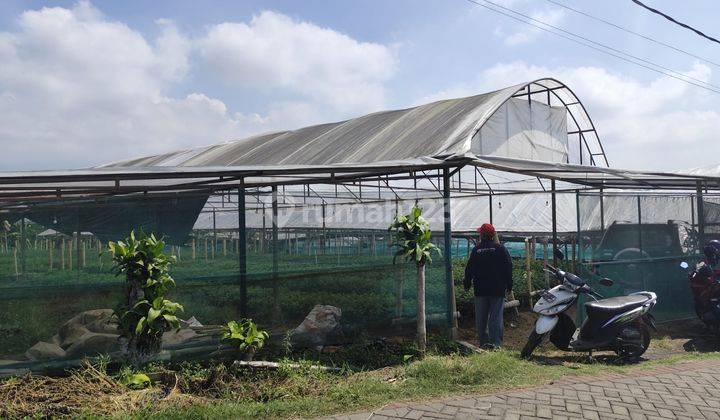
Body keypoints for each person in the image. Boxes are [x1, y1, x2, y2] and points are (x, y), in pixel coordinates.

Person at [463, 223, 513, 349]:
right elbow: (508, 267)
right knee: (496, 317)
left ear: (482, 235)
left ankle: (484, 344)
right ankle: (496, 344)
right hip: (497, 289)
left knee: (481, 318)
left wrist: (467, 283)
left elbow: (469, 269)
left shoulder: (476, 250)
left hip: (480, 289)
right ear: (492, 235)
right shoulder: (501, 249)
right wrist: (509, 285)